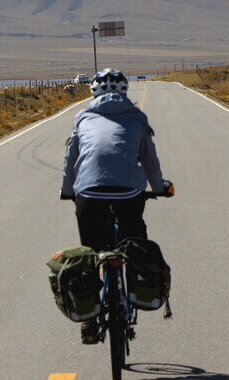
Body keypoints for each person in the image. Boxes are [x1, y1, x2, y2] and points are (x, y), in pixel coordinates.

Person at [60, 69, 171, 343]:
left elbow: (71, 158)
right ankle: (133, 291)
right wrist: (158, 188)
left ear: (93, 93)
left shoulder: (82, 118)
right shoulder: (137, 118)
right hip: (129, 192)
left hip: (88, 192)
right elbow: (149, 160)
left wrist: (66, 191)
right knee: (134, 241)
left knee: (89, 253)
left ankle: (88, 320)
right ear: (124, 91)